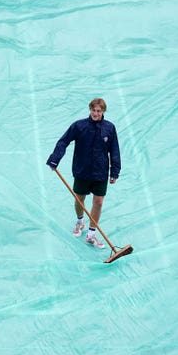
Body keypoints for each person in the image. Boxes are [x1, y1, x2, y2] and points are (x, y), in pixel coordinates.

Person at [46, 98, 121, 249]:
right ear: (90, 110)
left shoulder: (110, 128)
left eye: (99, 111)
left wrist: (114, 172)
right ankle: (80, 221)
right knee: (79, 200)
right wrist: (55, 159)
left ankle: (91, 234)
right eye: (93, 110)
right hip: (82, 171)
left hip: (101, 173)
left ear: (103, 112)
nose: (95, 113)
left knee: (98, 202)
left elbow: (115, 151)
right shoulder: (79, 126)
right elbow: (63, 142)